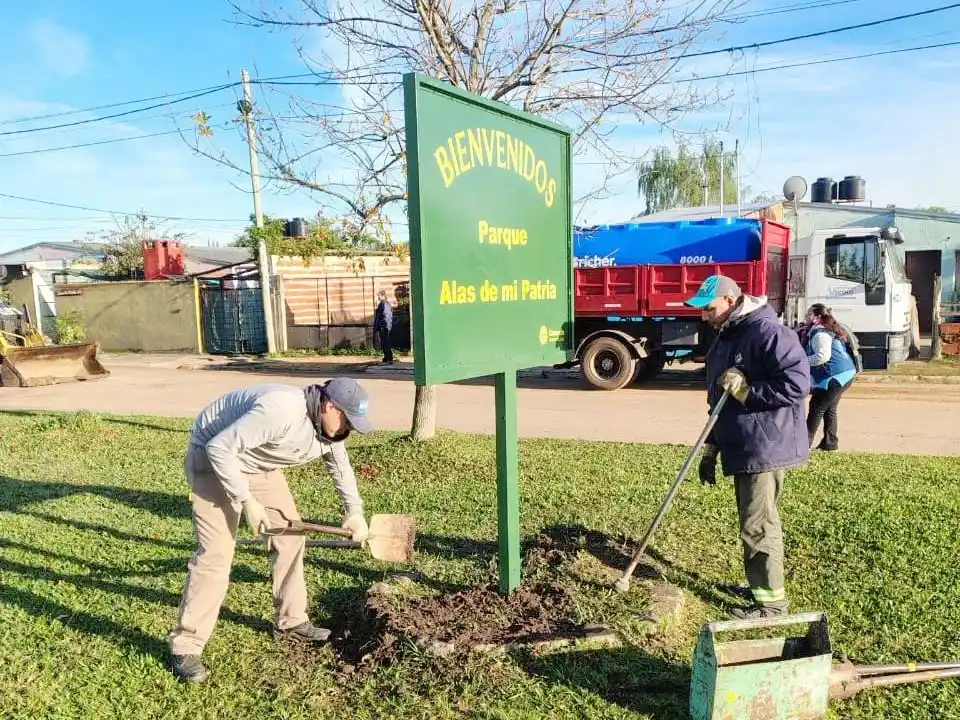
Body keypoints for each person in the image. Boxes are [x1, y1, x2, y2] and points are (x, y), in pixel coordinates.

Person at [167, 378, 374, 683]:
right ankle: (185, 646)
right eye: (347, 420)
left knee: (291, 539)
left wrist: (354, 512)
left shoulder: (332, 428)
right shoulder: (281, 411)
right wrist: (246, 500)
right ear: (330, 406)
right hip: (213, 457)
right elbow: (219, 447)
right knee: (217, 554)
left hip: (256, 462)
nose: (348, 430)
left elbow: (340, 466)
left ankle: (291, 621)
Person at [686, 274, 810, 619]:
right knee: (758, 522)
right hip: (743, 442)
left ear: (729, 300)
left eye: (709, 309)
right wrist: (712, 446)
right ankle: (760, 586)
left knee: (758, 525)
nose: (704, 316)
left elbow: (798, 385)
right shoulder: (728, 334)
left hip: (763, 446)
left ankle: (771, 604)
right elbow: (720, 400)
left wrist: (748, 392)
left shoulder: (767, 333)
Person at [802, 303, 857, 451]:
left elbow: (822, 356)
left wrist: (801, 362)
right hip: (846, 373)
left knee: (816, 407)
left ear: (817, 317)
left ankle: (803, 446)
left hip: (836, 376)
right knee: (830, 408)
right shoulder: (827, 329)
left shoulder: (820, 333)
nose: (806, 317)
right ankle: (830, 443)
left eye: (808, 314)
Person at [373, 289, 394, 363]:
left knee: (386, 342)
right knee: (383, 342)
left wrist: (384, 326)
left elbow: (386, 316)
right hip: (382, 327)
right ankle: (386, 357)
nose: (378, 298)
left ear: (383, 296)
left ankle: (389, 358)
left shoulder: (385, 304)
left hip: (384, 327)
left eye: (379, 296)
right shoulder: (381, 304)